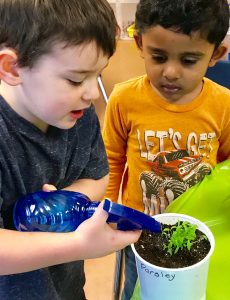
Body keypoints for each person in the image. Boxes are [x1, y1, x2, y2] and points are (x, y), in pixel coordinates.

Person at [0, 1, 141, 299]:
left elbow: (97, 176)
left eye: (98, 76)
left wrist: (66, 201)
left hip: (66, 286)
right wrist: (78, 245)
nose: (91, 94)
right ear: (13, 67)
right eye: (76, 79)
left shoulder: (78, 112)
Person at [102, 0, 230, 299]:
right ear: (140, 43)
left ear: (216, 54)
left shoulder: (224, 104)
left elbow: (226, 167)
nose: (171, 72)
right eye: (158, 57)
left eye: (188, 60)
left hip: (199, 230)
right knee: (137, 290)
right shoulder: (123, 99)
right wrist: (108, 209)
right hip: (137, 230)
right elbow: (111, 158)